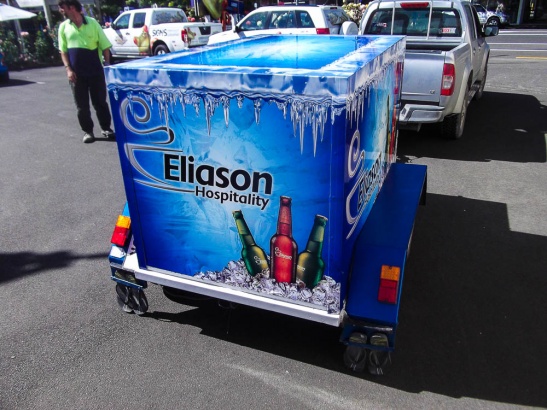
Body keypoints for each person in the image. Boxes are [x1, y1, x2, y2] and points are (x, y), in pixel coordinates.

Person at [57, 0, 115, 143]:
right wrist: (68, 69)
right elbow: (63, 51)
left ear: (71, 7)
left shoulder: (92, 23)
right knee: (81, 106)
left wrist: (107, 64)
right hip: (76, 74)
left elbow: (105, 45)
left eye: (62, 8)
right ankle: (88, 131)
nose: (60, 11)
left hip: (95, 71)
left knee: (100, 102)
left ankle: (106, 128)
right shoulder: (64, 27)